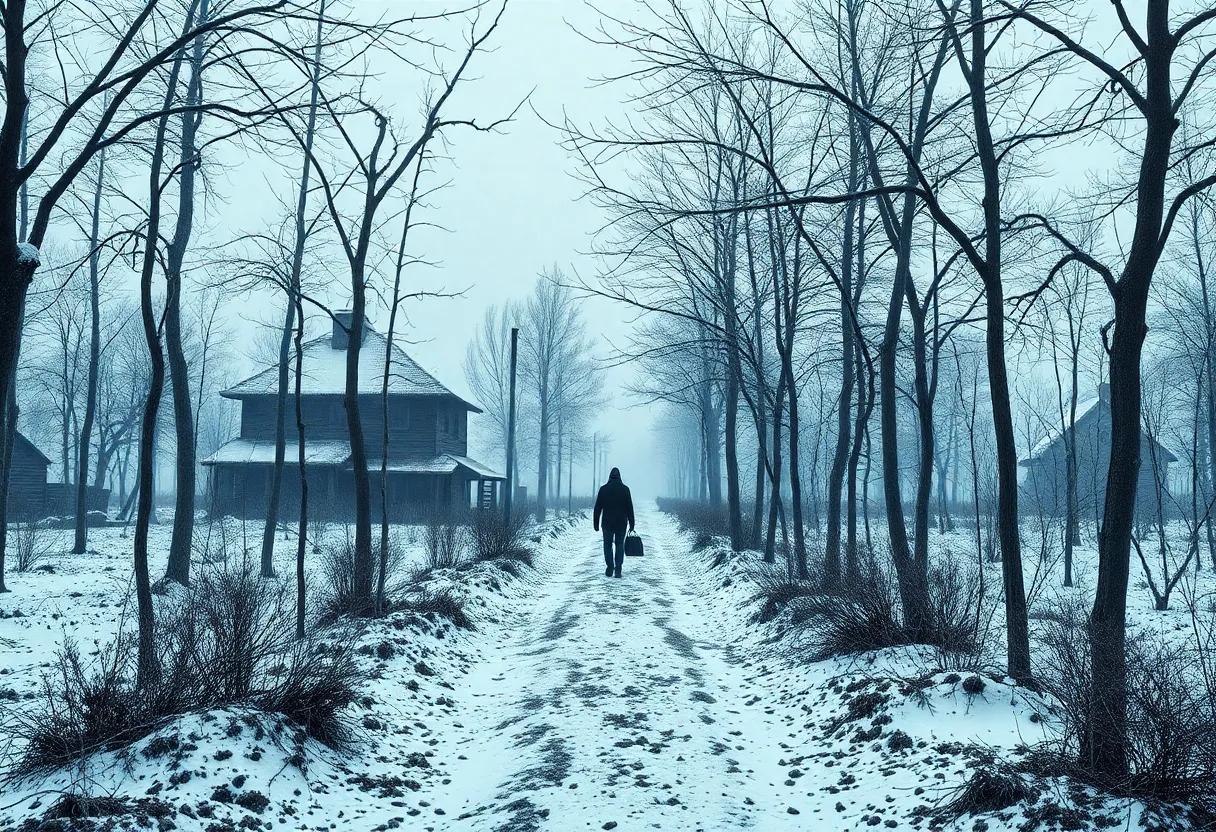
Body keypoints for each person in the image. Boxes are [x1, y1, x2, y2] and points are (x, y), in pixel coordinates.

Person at [593, 467, 635, 578]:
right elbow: (629, 507)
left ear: (610, 476)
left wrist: (596, 524)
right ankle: (618, 568)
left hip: (607, 523)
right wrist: (632, 523)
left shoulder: (603, 489)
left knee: (607, 545)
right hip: (621, 523)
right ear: (619, 476)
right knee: (619, 544)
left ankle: (610, 566)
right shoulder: (625, 489)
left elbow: (597, 508)